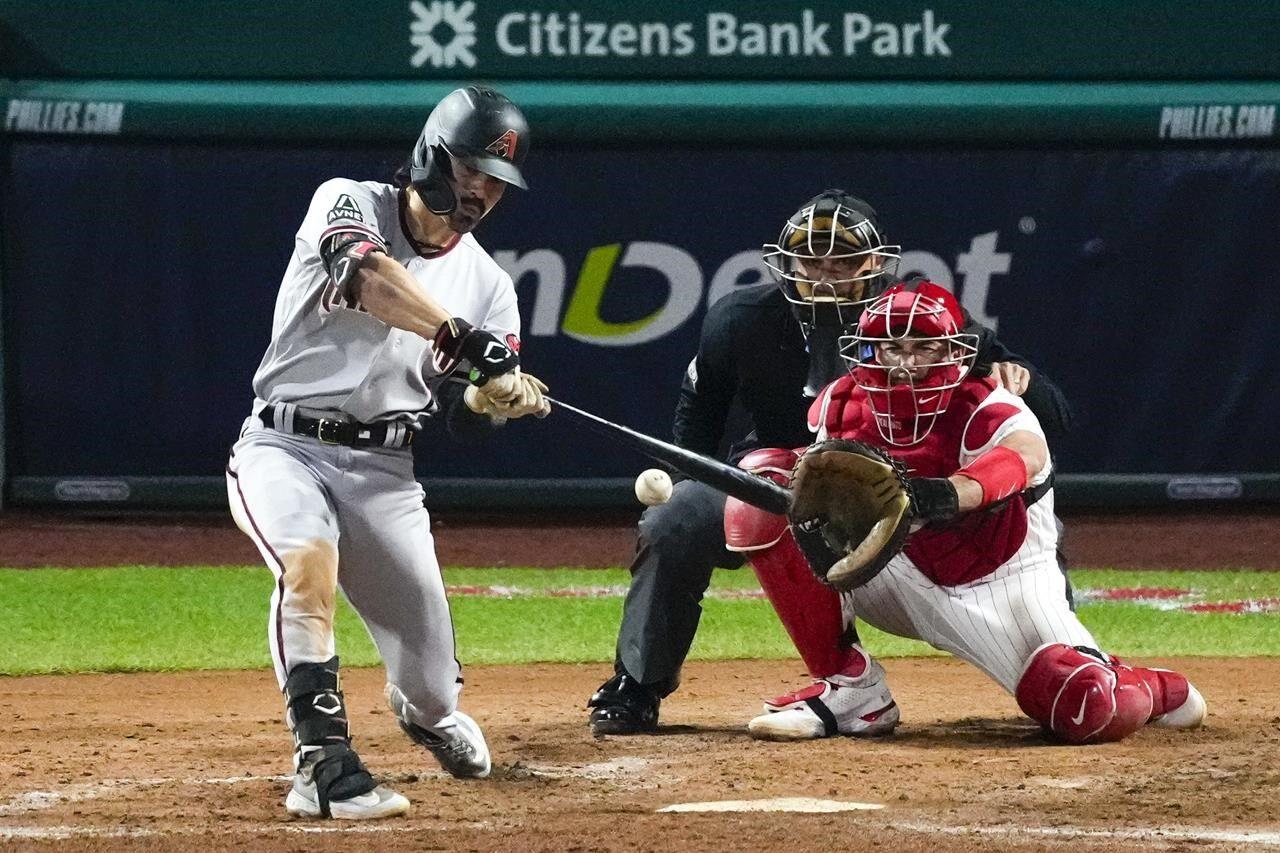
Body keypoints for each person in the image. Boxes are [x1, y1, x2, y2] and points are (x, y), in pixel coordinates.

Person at [587, 190, 1074, 735]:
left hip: (905, 489)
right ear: (785, 265)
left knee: (1023, 517)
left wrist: (1018, 379)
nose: (824, 277)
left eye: (842, 261)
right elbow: (696, 421)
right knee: (675, 517)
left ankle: (1066, 653)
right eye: (811, 261)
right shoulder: (740, 320)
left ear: (876, 264)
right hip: (775, 480)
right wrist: (684, 488)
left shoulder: (914, 317)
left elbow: (1049, 428)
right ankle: (638, 683)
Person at [225, 85, 549, 820]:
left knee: (434, 687)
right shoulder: (348, 201)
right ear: (433, 155)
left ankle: (426, 712)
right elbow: (368, 277)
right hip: (285, 444)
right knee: (307, 562)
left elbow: (465, 415)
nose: (480, 193)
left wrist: (489, 399)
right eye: (471, 171)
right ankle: (322, 763)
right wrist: (465, 340)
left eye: (496, 182)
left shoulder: (490, 285)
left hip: (385, 472)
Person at [726, 284, 1205, 743]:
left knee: (1085, 704)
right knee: (762, 490)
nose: (905, 364)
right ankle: (852, 690)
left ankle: (1153, 687)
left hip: (1001, 581)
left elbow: (1025, 456)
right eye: (891, 348)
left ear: (954, 351)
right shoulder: (841, 404)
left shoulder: (990, 405)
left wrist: (951, 493)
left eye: (923, 348)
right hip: (895, 567)